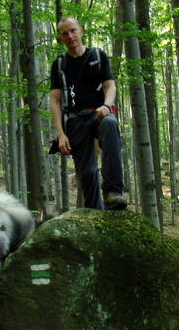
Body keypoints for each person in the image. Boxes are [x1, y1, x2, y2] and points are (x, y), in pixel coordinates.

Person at [50, 16, 127, 211]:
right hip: (75, 120)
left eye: (73, 30)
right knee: (87, 172)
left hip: (99, 114)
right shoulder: (59, 65)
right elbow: (55, 100)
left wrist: (107, 106)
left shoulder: (98, 56)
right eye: (65, 33)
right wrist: (60, 134)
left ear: (81, 31)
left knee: (110, 124)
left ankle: (112, 192)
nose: (70, 36)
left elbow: (110, 86)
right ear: (60, 38)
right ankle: (95, 212)